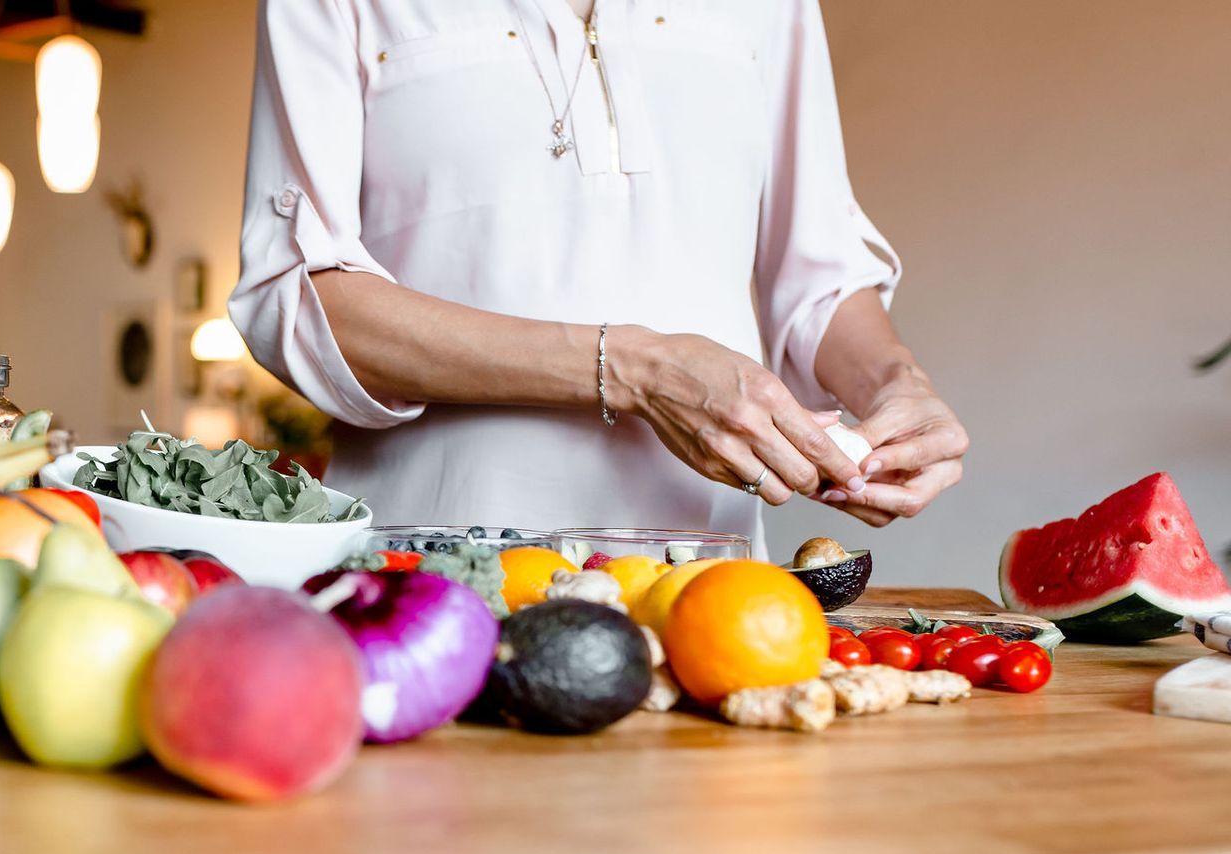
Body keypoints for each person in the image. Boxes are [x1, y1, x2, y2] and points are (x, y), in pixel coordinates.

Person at [227, 0, 968, 544]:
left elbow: (821, 275)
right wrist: (636, 368)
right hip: (431, 573)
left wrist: (897, 384)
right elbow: (296, 296)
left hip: (714, 593)